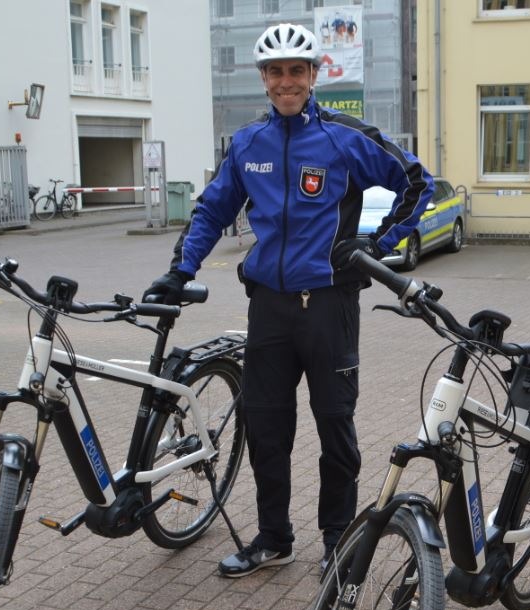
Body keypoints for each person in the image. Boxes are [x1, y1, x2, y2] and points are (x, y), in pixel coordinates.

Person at [144, 22, 434, 578]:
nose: (285, 82)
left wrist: (377, 245)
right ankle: (274, 537)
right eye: (275, 72)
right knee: (267, 428)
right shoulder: (248, 143)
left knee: (335, 429)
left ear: (313, 75)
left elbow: (415, 181)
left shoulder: (343, 137)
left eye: (296, 71)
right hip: (269, 310)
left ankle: (337, 541)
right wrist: (181, 271)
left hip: (328, 307)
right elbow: (211, 210)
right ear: (264, 79)